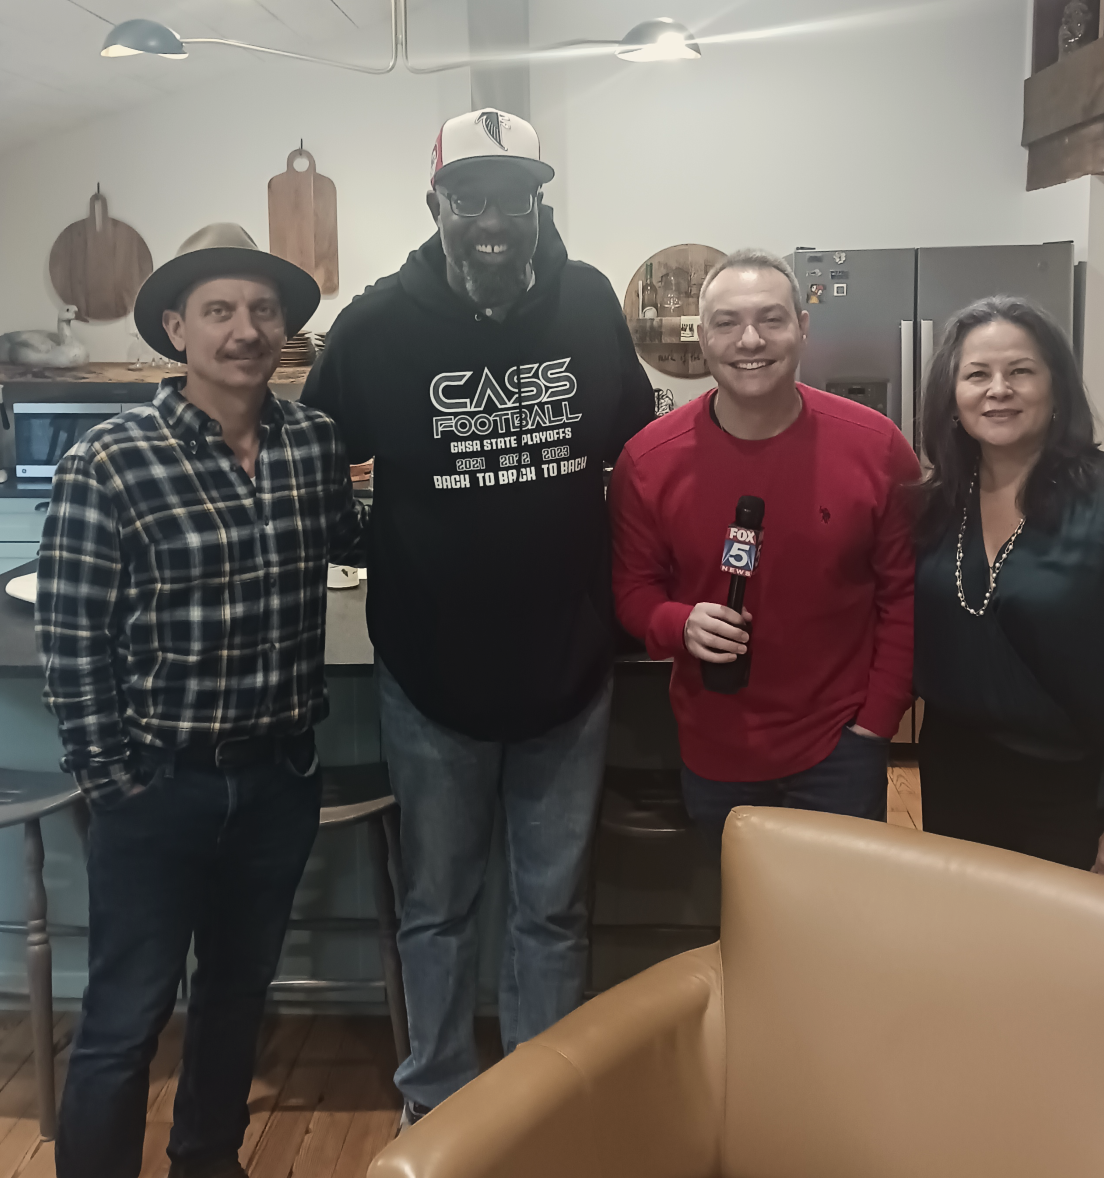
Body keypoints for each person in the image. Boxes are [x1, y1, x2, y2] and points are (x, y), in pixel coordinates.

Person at [302, 108, 654, 1124]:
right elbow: (312, 459)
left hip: (570, 666)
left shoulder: (588, 302)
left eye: (515, 199)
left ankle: (539, 1114)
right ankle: (440, 1107)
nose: (493, 221)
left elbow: (637, 448)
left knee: (553, 908)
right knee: (438, 907)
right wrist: (363, 541)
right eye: (471, 199)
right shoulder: (376, 325)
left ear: (539, 208)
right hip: (431, 672)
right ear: (436, 206)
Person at [37, 224, 367, 1178]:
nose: (244, 330)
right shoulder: (110, 459)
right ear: (177, 330)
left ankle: (207, 1163)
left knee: (235, 996)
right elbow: (71, 637)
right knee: (126, 1015)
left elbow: (355, 541)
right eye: (219, 311)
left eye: (262, 310)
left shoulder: (313, 444)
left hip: (278, 779)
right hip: (158, 786)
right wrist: (112, 778)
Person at [609, 249, 921, 849]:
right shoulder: (647, 462)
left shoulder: (878, 448)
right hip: (716, 750)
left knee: (840, 907)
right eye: (726, 322)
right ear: (703, 338)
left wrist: (876, 724)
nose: (749, 340)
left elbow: (904, 598)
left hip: (841, 751)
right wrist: (679, 623)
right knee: (737, 906)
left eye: (771, 319)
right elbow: (632, 592)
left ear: (802, 327)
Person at [913, 296, 1104, 881]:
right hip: (951, 774)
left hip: (1072, 789)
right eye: (977, 375)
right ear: (952, 397)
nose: (999, 390)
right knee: (965, 933)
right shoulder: (937, 502)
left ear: (1057, 387)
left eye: (1021, 371)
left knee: (1069, 941)